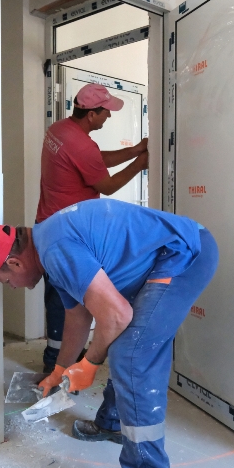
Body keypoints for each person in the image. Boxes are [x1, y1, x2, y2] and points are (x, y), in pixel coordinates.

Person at [0, 199, 219, 468]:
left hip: (184, 253)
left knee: (131, 355)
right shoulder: (49, 246)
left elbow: (116, 316)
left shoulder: (55, 250)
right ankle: (113, 423)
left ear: (15, 263)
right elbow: (78, 318)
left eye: (6, 281)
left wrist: (90, 362)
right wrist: (59, 372)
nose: (13, 287)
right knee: (122, 339)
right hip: (167, 254)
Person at [36, 82, 148, 374]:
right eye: (106, 112)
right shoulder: (80, 144)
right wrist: (140, 164)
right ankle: (56, 361)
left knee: (62, 296)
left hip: (50, 223)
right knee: (66, 300)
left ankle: (60, 354)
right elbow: (107, 185)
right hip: (67, 233)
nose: (109, 116)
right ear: (91, 114)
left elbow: (95, 161)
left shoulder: (61, 130)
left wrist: (135, 150)